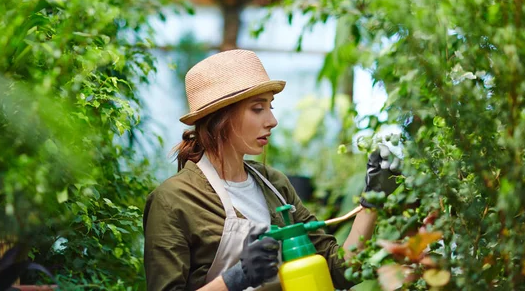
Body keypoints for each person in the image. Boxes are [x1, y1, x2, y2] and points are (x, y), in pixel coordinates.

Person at [143, 49, 401, 291]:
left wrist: (372, 202)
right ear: (221, 117)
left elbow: (339, 270)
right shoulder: (173, 200)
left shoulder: (274, 185)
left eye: (270, 106)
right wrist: (235, 278)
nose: (272, 121)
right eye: (258, 109)